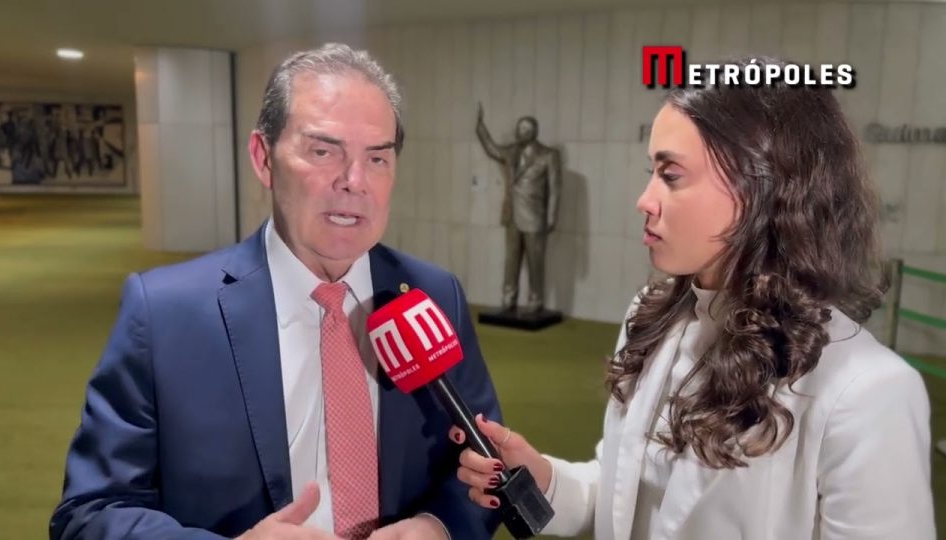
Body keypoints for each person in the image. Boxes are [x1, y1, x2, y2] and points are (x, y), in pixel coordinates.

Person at [450, 56, 935, 539]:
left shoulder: (869, 393)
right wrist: (546, 479)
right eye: (652, 172)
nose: (645, 200)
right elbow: (627, 493)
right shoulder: (652, 316)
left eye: (671, 175)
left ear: (763, 186)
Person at [50, 43, 503, 540]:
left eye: (377, 158)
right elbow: (91, 513)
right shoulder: (162, 314)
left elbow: (485, 465)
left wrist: (439, 527)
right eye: (323, 151)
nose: (354, 182)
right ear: (263, 158)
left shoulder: (435, 296)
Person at [475, 105, 561, 312]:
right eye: (518, 128)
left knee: (535, 263)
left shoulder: (548, 155)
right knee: (511, 261)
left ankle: (535, 300)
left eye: (523, 129)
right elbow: (493, 149)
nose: (518, 132)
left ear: (532, 132)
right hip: (512, 216)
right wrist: (480, 127)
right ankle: (508, 298)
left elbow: (555, 188)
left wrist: (551, 218)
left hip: (535, 217)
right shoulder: (512, 151)